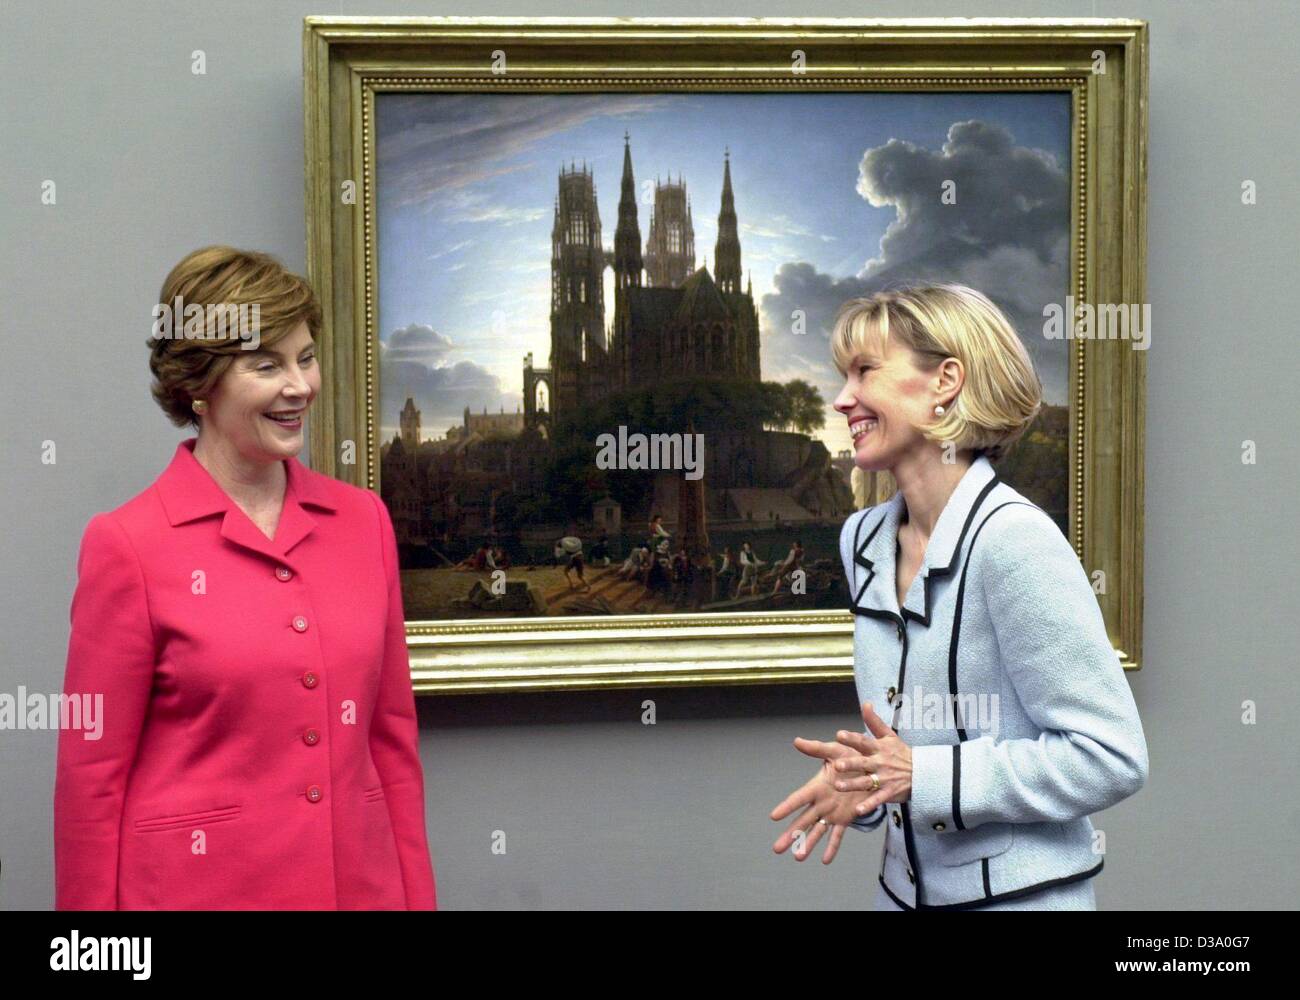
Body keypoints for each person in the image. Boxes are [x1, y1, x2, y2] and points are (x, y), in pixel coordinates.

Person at [53, 246, 437, 910]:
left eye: (305, 357)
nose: (301, 386)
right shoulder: (127, 546)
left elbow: (392, 744)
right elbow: (91, 783)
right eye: (268, 365)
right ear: (199, 385)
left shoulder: (363, 523)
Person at [769, 283, 1148, 910]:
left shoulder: (1015, 540)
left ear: (946, 381)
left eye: (865, 371)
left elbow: (1110, 757)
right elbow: (901, 748)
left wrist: (923, 776)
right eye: (843, 375)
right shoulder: (862, 538)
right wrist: (867, 781)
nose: (842, 400)